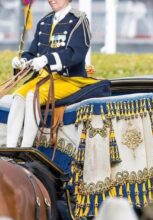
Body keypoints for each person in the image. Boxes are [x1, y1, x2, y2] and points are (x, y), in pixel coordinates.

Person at [8, 0, 98, 148]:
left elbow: (76, 54)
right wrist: (22, 61)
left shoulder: (78, 20)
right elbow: (32, 53)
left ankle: (26, 149)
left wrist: (46, 60)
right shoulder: (44, 21)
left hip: (70, 79)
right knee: (18, 97)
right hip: (45, 78)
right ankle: (9, 148)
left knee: (33, 96)